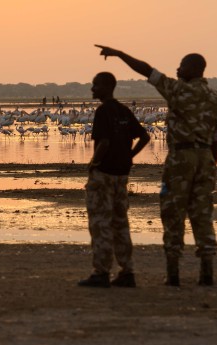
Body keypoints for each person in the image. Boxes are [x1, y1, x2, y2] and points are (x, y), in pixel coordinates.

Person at [95, 45, 217, 286]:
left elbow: (146, 70)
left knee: (173, 212)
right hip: (206, 158)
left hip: (181, 158)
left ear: (194, 69)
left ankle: (173, 273)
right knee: (202, 213)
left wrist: (121, 54)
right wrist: (210, 169)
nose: (178, 68)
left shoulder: (176, 90)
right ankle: (206, 272)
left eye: (183, 65)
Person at [78, 72, 150, 288]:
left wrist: (94, 163)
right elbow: (145, 137)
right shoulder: (124, 110)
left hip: (105, 175)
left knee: (100, 223)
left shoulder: (103, 111)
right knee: (120, 224)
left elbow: (104, 142)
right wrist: (129, 157)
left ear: (107, 87)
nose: (92, 89)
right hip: (122, 175)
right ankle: (127, 272)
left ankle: (101, 272)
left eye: (95, 85)